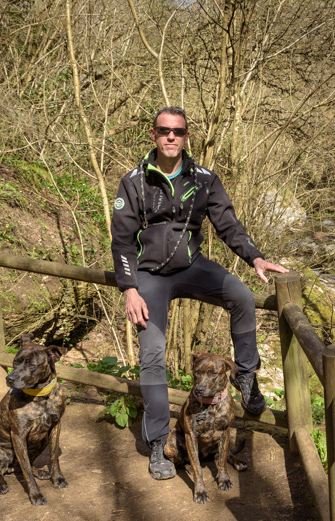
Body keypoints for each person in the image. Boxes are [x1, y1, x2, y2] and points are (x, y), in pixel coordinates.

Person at [110, 106, 288, 480]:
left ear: (187, 136)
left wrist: (255, 256)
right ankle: (159, 442)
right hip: (150, 276)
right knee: (153, 353)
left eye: (178, 131)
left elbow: (227, 223)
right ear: (154, 135)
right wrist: (129, 289)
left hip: (192, 267)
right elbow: (122, 242)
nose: (171, 137)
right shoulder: (134, 181)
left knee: (240, 295)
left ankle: (247, 380)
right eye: (164, 131)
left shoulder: (204, 178)